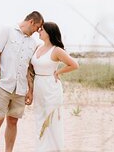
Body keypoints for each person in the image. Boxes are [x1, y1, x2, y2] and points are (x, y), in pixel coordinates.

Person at [0, 11, 44, 152]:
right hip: (3, 86)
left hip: (20, 89)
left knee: (13, 121)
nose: (37, 31)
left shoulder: (33, 43)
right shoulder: (7, 30)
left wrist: (30, 90)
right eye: (37, 27)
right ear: (31, 22)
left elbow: (29, 68)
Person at [30, 22, 79, 152]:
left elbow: (74, 65)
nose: (39, 31)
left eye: (42, 30)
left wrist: (58, 72)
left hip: (51, 87)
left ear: (49, 33)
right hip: (38, 85)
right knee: (39, 118)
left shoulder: (56, 50)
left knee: (52, 120)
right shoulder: (38, 47)